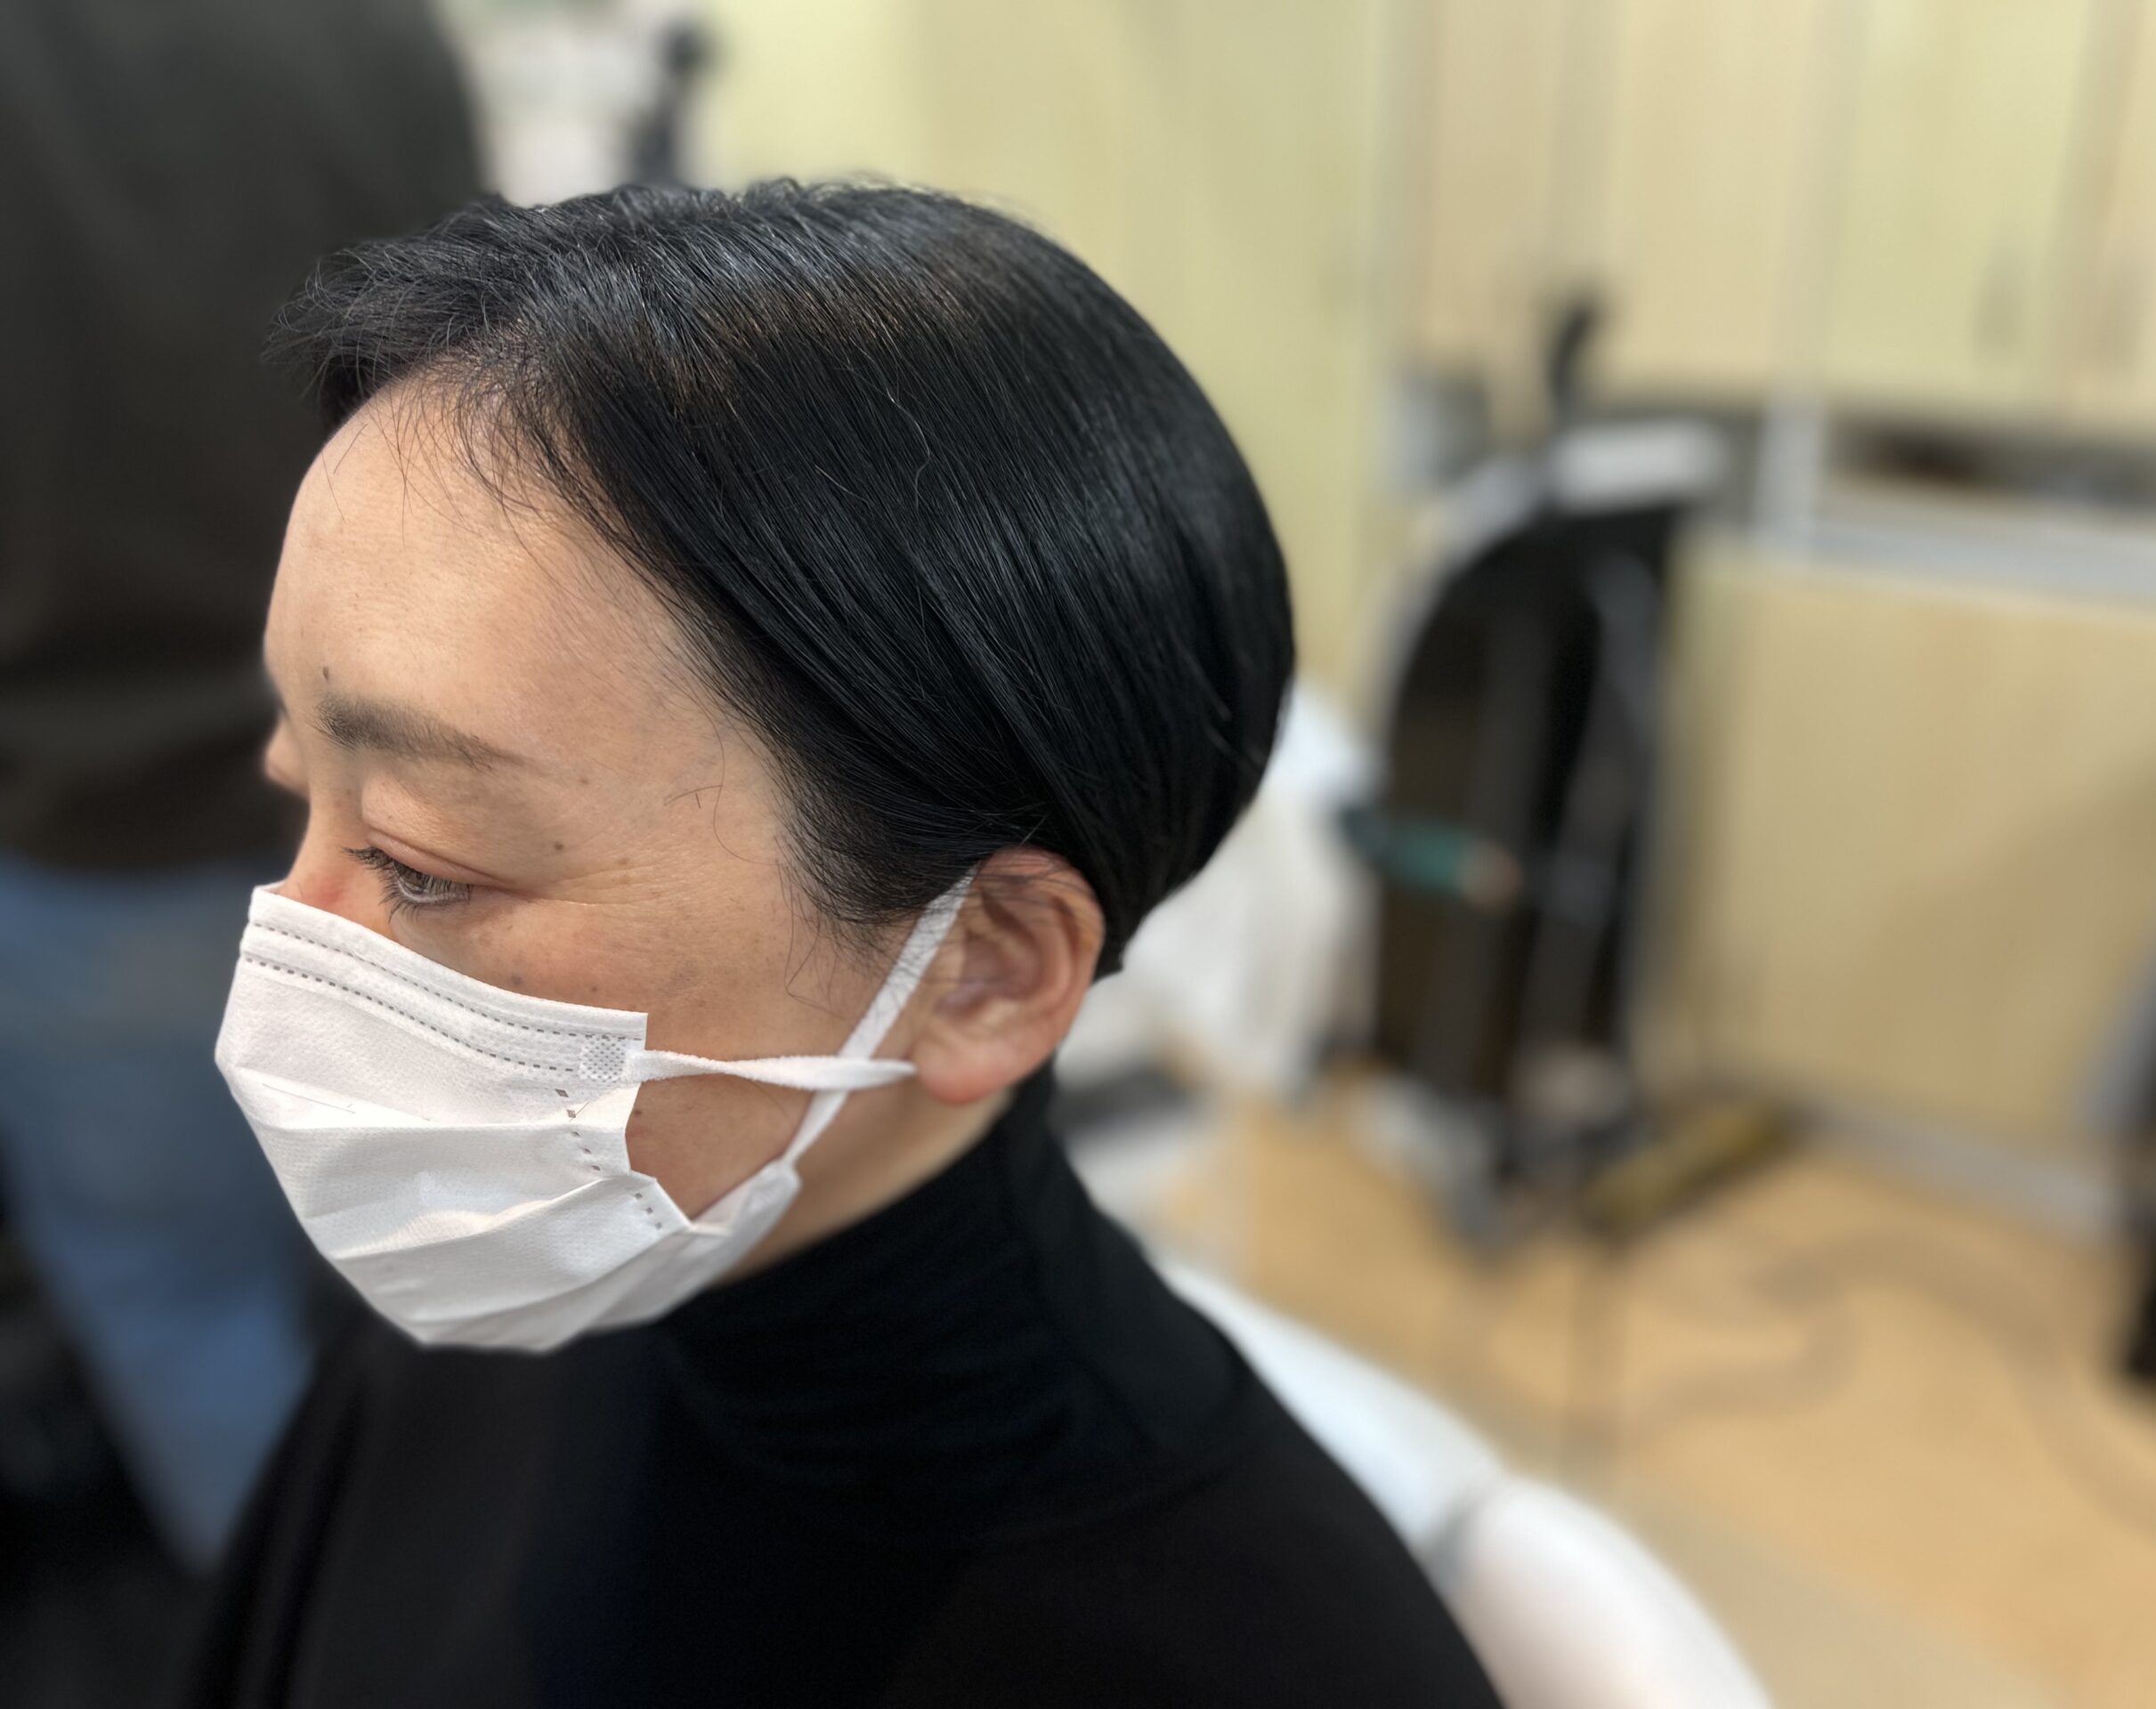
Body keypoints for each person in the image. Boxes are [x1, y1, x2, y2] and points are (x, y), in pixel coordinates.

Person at [174, 182, 1503, 1707]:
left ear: (985, 969)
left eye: (420, 866)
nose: (288, 966)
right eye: (301, 797)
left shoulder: (1268, 1660)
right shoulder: (472, 1320)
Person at [0, 0, 482, 1566]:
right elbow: (487, 371)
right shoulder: (361, 30)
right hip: (404, 794)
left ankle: (325, 1648)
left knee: (182, 1298)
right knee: (468, 1270)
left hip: (90, 821)